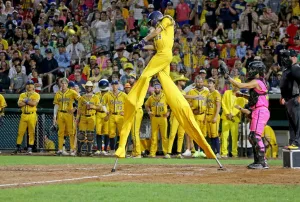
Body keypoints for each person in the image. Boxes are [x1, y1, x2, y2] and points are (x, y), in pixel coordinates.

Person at [114, 11, 215, 159]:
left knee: (145, 75)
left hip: (164, 55)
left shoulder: (166, 20)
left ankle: (134, 100)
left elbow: (156, 32)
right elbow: (154, 46)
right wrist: (138, 46)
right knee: (167, 84)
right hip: (162, 55)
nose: (152, 24)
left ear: (155, 18)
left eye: (151, 22)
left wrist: (143, 40)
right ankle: (179, 102)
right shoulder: (158, 33)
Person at [228, 61, 270, 169]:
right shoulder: (259, 82)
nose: (250, 71)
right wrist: (242, 95)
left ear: (257, 71)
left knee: (255, 136)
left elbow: (239, 85)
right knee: (252, 137)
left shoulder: (257, 82)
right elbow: (255, 98)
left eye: (252, 69)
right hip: (258, 111)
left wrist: (227, 77)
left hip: (260, 111)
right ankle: (258, 161)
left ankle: (262, 162)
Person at [221, 78, 247, 158]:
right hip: (225, 117)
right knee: (224, 136)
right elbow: (223, 103)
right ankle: (224, 153)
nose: (235, 87)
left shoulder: (241, 96)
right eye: (234, 85)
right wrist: (227, 113)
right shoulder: (227, 92)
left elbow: (241, 106)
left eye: (237, 85)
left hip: (235, 118)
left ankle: (234, 153)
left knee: (234, 137)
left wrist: (232, 114)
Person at [53, 78, 80, 156]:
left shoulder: (72, 92)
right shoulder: (57, 93)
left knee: (71, 132)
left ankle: (72, 149)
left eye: (65, 83)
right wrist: (54, 116)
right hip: (60, 114)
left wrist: (75, 108)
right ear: (60, 84)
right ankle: (60, 149)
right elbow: (56, 105)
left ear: (67, 84)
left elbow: (80, 99)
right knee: (60, 132)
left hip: (69, 114)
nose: (63, 85)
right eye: (62, 83)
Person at [12, 80, 40, 154]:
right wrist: (28, 101)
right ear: (26, 86)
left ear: (33, 86)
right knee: (20, 132)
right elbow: (19, 104)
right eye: (28, 84)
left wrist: (26, 101)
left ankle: (30, 148)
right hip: (23, 115)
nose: (30, 86)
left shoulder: (36, 95)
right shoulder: (22, 94)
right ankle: (18, 147)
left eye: (31, 84)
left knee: (31, 132)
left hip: (32, 115)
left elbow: (33, 103)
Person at [279, 49, 300, 150]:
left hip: (295, 98)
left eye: (288, 57)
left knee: (297, 123)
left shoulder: (295, 68)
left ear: (294, 57)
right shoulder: (287, 69)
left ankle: (297, 142)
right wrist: (282, 96)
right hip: (288, 100)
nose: (285, 59)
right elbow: (284, 84)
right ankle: (293, 142)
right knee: (292, 123)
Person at [103, 80, 127, 155]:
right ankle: (112, 150)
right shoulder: (107, 94)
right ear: (111, 85)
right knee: (111, 133)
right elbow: (103, 104)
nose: (114, 86)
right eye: (113, 84)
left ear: (118, 85)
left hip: (120, 115)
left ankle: (121, 150)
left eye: (116, 84)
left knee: (121, 133)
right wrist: (106, 111)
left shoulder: (123, 94)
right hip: (111, 115)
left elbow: (129, 104)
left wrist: (125, 112)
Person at [145, 83, 170, 157]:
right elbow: (146, 105)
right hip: (154, 117)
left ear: (160, 88)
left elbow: (170, 105)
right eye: (155, 88)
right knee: (154, 136)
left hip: (163, 117)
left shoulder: (165, 96)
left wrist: (168, 112)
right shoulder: (151, 97)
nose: (156, 89)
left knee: (164, 136)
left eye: (158, 88)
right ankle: (152, 153)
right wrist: (149, 111)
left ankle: (166, 152)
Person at [77, 81, 101, 156]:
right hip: (83, 116)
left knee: (90, 134)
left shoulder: (96, 97)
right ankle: (79, 151)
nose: (88, 88)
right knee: (81, 134)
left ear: (92, 88)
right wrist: (77, 118)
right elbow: (79, 109)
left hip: (92, 116)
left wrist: (92, 107)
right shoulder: (82, 97)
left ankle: (89, 151)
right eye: (87, 87)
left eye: (90, 87)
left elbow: (99, 107)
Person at [206, 78, 222, 158]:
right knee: (210, 135)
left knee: (215, 135)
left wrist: (215, 117)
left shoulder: (216, 93)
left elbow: (218, 106)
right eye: (208, 83)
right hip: (208, 116)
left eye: (211, 83)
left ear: (214, 84)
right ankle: (213, 153)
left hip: (214, 115)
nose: (209, 84)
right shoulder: (208, 94)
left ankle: (218, 153)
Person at [94, 79, 110, 155]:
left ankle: (106, 149)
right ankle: (99, 149)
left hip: (107, 114)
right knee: (98, 132)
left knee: (106, 132)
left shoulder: (110, 94)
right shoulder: (96, 95)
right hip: (98, 113)